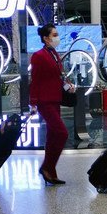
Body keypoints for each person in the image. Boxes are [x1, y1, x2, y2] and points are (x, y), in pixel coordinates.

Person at [30, 23, 74, 185]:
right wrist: (33, 103)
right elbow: (35, 80)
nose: (57, 37)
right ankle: (47, 166)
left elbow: (59, 75)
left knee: (52, 135)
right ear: (46, 38)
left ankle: (51, 171)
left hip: (55, 99)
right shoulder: (38, 56)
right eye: (54, 35)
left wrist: (67, 85)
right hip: (44, 101)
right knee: (62, 133)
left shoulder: (54, 53)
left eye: (57, 34)